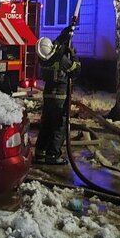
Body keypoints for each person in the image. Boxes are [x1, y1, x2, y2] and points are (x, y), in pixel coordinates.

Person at [34, 26, 80, 166]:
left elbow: (56, 43)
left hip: (48, 96)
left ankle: (40, 152)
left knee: (46, 125)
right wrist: (74, 56)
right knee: (58, 127)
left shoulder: (43, 60)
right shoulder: (61, 58)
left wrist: (66, 32)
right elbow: (75, 71)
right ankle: (53, 155)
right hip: (60, 98)